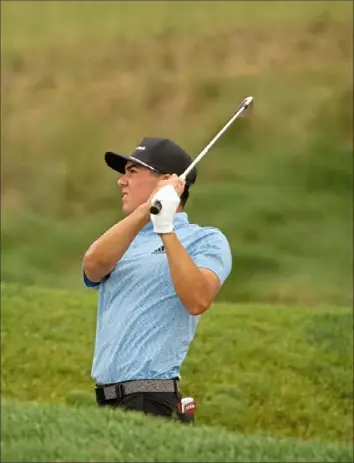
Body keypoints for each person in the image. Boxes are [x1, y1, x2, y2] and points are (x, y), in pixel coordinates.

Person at [82, 137, 232, 421]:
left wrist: (165, 228)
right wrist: (148, 210)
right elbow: (93, 266)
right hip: (106, 399)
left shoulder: (206, 239)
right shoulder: (125, 239)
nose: (121, 181)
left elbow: (198, 299)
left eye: (133, 172)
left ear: (167, 180)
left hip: (150, 397)